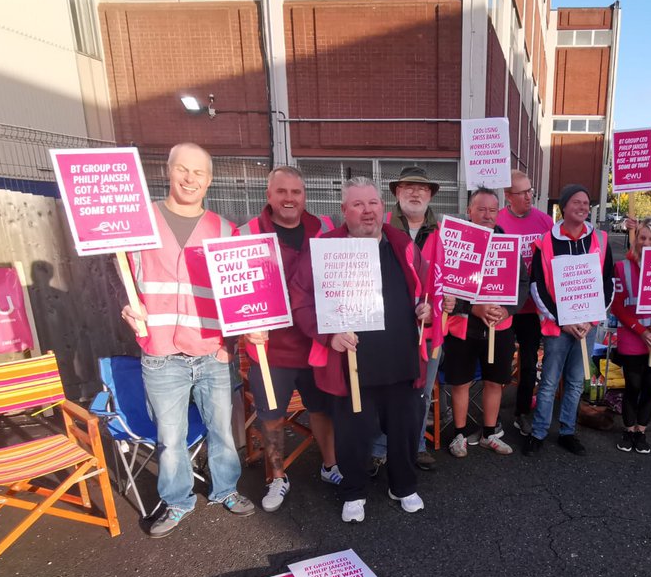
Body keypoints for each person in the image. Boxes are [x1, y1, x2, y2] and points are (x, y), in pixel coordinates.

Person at [120, 143, 255, 537]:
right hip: (161, 350)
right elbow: (128, 280)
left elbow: (238, 293)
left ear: (209, 180)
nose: (190, 179)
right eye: (183, 170)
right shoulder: (139, 224)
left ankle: (226, 488)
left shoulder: (225, 230)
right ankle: (177, 500)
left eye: (198, 173)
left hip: (211, 349)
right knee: (170, 436)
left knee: (221, 430)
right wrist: (126, 308)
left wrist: (244, 329)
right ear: (169, 171)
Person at [289, 177, 432, 524]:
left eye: (373, 203)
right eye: (358, 204)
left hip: (401, 357)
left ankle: (403, 485)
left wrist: (425, 309)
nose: (367, 211)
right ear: (344, 210)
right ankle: (353, 491)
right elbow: (301, 300)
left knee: (405, 427)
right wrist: (327, 335)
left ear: (383, 208)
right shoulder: (325, 248)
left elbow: (425, 289)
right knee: (352, 431)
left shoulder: (402, 243)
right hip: (351, 362)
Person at [240, 166, 341, 513]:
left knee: (323, 410)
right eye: (281, 192)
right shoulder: (248, 233)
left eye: (295, 192)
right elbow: (233, 291)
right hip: (270, 350)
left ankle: (330, 466)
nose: (289, 199)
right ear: (269, 196)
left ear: (304, 196)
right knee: (271, 416)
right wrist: (243, 327)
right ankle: (277, 477)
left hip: (316, 343)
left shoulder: (325, 229)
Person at [522, 184, 614, 456]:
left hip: (587, 326)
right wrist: (563, 320)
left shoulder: (600, 240)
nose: (583, 207)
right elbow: (538, 287)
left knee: (575, 382)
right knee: (549, 382)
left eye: (586, 203)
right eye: (577, 202)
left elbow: (608, 283)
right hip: (557, 326)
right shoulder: (546, 241)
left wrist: (592, 318)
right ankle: (538, 432)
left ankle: (567, 432)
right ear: (564, 206)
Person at [375, 165, 443, 472]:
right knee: (383, 388)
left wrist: (450, 299)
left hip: (429, 327)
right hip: (386, 328)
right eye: (408, 187)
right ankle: (379, 448)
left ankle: (415, 445)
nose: (415, 193)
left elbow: (453, 279)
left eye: (422, 188)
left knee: (421, 392)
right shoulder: (380, 227)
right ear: (397, 193)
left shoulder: (444, 233)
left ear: (429, 195)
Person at [441, 187, 516, 458]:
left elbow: (522, 283)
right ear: (469, 210)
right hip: (463, 326)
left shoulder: (508, 244)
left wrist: (507, 310)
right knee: (460, 382)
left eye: (493, 210)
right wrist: (474, 308)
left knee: (494, 382)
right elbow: (446, 288)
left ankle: (488, 434)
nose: (487, 215)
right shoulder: (456, 242)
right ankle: (458, 434)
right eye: (481, 209)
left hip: (500, 327)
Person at [610, 218, 651, 454]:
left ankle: (641, 431)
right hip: (633, 338)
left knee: (650, 387)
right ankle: (628, 430)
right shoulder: (622, 268)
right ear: (636, 239)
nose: (646, 242)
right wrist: (641, 330)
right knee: (633, 386)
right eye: (642, 237)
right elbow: (617, 307)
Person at [496, 170, 553, 435]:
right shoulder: (496, 222)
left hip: (532, 306)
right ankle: (492, 417)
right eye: (523, 192)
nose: (530, 196)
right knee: (500, 362)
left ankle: (521, 413)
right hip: (504, 307)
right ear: (508, 197)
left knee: (530, 363)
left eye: (531, 191)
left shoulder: (545, 222)